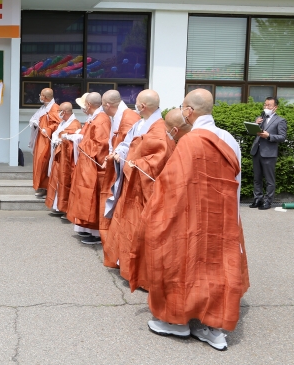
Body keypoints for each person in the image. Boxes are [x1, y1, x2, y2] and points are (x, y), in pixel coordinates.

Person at [135, 89, 249, 352]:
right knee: (218, 268)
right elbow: (236, 184)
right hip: (224, 218)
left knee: (184, 265)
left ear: (188, 111)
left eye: (182, 107)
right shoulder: (229, 139)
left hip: (191, 218)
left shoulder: (190, 141)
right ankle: (213, 329)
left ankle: (178, 322)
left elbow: (172, 185)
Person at [103, 90, 175, 285]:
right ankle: (124, 263)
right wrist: (120, 152)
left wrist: (130, 161)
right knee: (126, 224)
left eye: (137, 102)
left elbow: (157, 161)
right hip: (131, 182)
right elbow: (127, 143)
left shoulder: (159, 129)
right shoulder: (140, 123)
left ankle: (141, 274)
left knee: (140, 229)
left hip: (144, 187)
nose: (134, 105)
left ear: (142, 106)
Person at [65, 92, 110, 244]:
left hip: (93, 165)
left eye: (84, 105)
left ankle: (95, 232)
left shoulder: (101, 120)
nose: (83, 108)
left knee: (92, 197)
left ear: (89, 105)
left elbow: (101, 145)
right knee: (84, 196)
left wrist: (82, 143)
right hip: (86, 164)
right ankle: (86, 227)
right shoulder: (94, 118)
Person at [97, 90, 140, 244]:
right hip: (115, 164)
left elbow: (133, 147)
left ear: (107, 105)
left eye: (102, 104)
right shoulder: (119, 116)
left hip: (123, 169)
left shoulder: (129, 118)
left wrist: (116, 154)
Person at [250, 97, 287, 210]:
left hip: (269, 153)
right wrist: (255, 124)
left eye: (269, 105)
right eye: (265, 105)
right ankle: (258, 199)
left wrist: (269, 136)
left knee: (269, 179)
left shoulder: (280, 120)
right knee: (257, 178)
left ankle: (268, 201)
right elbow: (252, 132)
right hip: (257, 150)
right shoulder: (260, 118)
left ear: (275, 107)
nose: (266, 107)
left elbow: (282, 137)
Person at [44, 102, 81, 216]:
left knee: (65, 182)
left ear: (64, 112)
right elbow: (57, 134)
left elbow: (73, 141)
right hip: (59, 156)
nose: (58, 113)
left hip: (67, 159)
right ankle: (58, 206)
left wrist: (61, 139)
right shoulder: (63, 122)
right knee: (57, 181)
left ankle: (65, 208)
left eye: (59, 110)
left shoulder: (75, 124)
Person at [28, 88, 61, 199]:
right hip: (40, 139)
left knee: (44, 162)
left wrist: (47, 129)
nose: (40, 96)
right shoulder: (44, 107)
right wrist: (35, 123)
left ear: (45, 97)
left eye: (41, 95)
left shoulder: (55, 108)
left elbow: (58, 124)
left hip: (47, 140)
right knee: (38, 162)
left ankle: (45, 187)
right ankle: (40, 186)